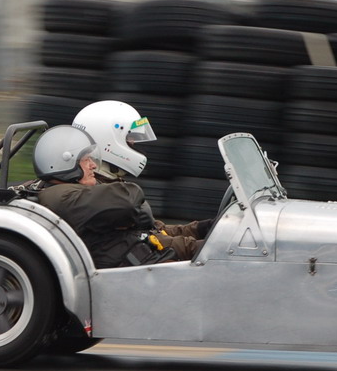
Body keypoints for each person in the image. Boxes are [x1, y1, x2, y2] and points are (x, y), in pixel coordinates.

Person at [32, 124, 210, 267]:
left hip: (145, 265)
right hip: (138, 275)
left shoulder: (79, 193)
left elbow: (152, 231)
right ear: (64, 161)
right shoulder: (66, 197)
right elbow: (130, 203)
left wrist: (201, 228)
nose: (93, 165)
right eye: (86, 160)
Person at [71, 99, 213, 258]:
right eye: (129, 138)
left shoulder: (109, 184)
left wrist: (204, 227)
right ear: (107, 141)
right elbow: (145, 239)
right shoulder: (98, 194)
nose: (133, 143)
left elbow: (156, 230)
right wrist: (201, 247)